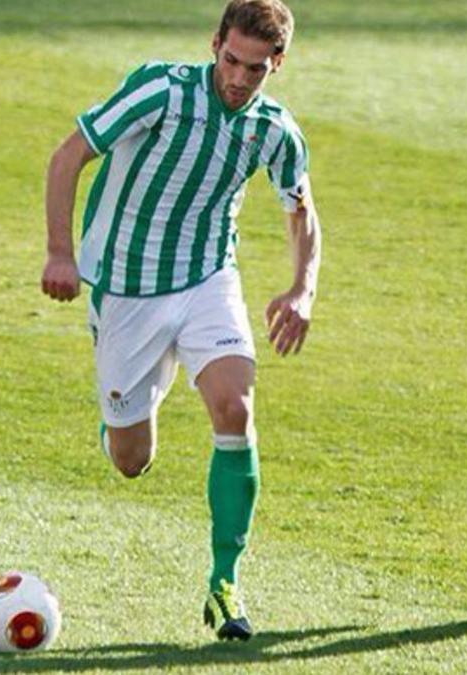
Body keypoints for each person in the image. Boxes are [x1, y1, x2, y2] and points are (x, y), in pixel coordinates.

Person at [39, 0, 320, 641]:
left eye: (256, 68)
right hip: (127, 292)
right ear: (214, 43)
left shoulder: (275, 130)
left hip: (206, 282)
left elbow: (300, 208)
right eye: (231, 61)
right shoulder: (159, 91)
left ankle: (224, 584)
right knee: (132, 459)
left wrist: (301, 288)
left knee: (234, 408)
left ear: (277, 63)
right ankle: (126, 417)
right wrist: (60, 252)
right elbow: (67, 156)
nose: (239, 79)